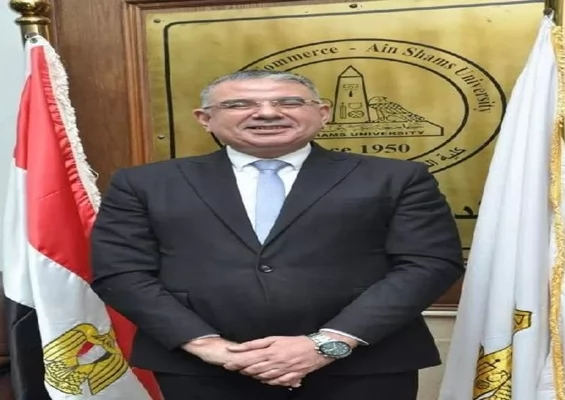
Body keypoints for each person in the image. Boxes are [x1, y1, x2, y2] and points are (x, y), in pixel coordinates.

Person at [90, 70, 464, 400]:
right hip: (204, 370)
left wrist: (328, 343)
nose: (268, 113)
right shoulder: (144, 184)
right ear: (205, 119)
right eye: (240, 104)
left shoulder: (397, 178)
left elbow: (429, 264)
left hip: (363, 367)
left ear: (323, 113)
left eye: (289, 102)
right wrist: (210, 347)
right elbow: (121, 273)